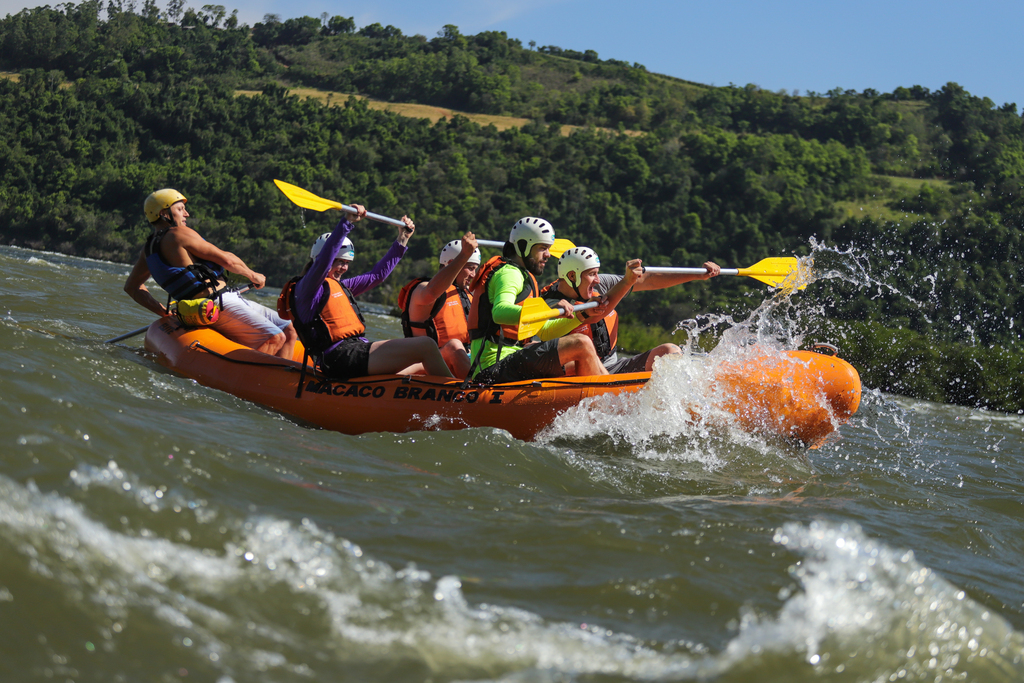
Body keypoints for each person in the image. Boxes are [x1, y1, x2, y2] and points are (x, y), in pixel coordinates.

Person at [279, 206, 453, 380]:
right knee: (426, 345)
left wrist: (402, 239)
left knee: (421, 363)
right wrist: (346, 223)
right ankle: (456, 396)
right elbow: (323, 263)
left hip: (355, 351)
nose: (344, 268)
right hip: (338, 359)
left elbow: (377, 275)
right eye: (339, 261)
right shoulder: (306, 289)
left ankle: (445, 392)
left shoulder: (341, 287)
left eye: (346, 262)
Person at [123, 188, 297, 359]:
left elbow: (132, 287)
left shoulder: (148, 250)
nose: (186, 214)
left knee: (289, 329)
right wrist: (253, 275)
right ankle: (256, 383)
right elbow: (227, 260)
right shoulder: (179, 234)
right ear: (164, 213)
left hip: (216, 302)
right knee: (275, 337)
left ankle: (280, 373)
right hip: (219, 304)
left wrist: (164, 312)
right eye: (180, 209)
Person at [467, 217, 608, 383]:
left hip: (510, 360)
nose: (548, 255)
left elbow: (545, 332)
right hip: (493, 367)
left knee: (576, 360)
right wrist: (546, 309)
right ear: (522, 247)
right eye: (542, 248)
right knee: (580, 343)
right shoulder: (509, 274)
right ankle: (605, 401)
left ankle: (611, 391)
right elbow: (499, 312)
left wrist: (582, 315)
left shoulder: (525, 277)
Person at [538, 247, 721, 373]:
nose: (598, 280)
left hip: (612, 367)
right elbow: (593, 316)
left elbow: (647, 280)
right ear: (572, 276)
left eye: (597, 273)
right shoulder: (551, 304)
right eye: (592, 274)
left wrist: (698, 274)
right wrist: (625, 281)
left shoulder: (598, 285)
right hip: (575, 378)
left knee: (669, 351)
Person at [397, 233, 480, 378]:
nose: (474, 275)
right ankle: (480, 392)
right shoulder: (423, 289)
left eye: (475, 269)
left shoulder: (468, 295)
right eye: (470, 268)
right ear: (453, 263)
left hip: (463, 360)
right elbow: (431, 292)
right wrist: (464, 255)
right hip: (427, 362)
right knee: (454, 346)